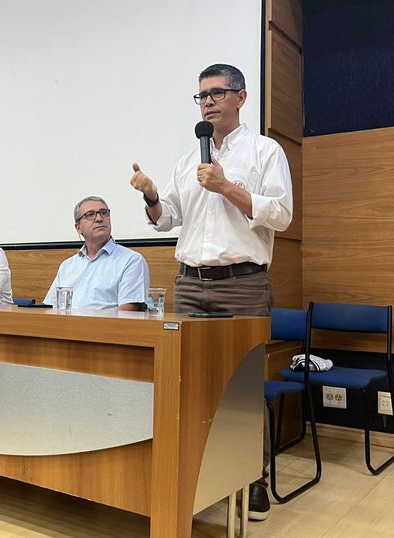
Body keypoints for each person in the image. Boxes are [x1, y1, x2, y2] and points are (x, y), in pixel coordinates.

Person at [129, 64, 293, 521]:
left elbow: (282, 215)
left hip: (242, 285)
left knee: (241, 385)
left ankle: (253, 478)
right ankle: (195, 468)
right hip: (189, 284)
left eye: (217, 93)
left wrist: (226, 187)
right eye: (201, 96)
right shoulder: (188, 161)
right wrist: (152, 196)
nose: (208, 102)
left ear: (241, 97)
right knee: (184, 382)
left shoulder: (265, 151)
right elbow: (167, 219)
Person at [43, 196, 149, 310]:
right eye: (90, 214)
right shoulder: (67, 266)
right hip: (66, 322)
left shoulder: (131, 260)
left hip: (106, 322)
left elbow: (128, 313)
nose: (99, 218)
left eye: (104, 213)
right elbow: (51, 308)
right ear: (78, 228)